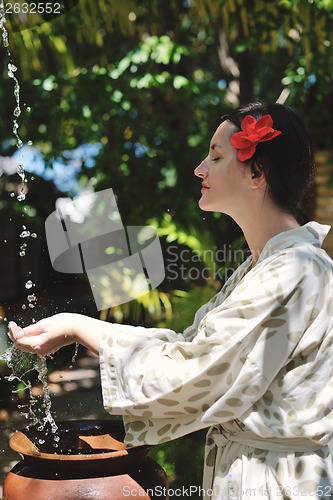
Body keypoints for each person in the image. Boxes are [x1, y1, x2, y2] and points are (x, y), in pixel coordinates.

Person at [9, 102, 333, 499]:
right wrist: (80, 327)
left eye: (215, 156)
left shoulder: (293, 269)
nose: (201, 168)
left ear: (257, 171)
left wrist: (84, 328)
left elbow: (191, 374)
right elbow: (190, 348)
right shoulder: (267, 266)